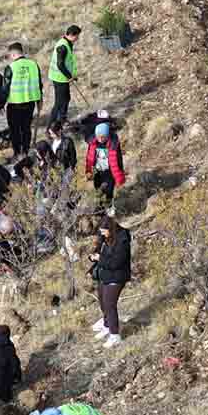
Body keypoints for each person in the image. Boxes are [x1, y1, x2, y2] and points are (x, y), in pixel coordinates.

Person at [90, 216, 131, 348]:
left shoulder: (122, 240)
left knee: (109, 304)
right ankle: (107, 325)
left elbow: (116, 262)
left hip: (117, 276)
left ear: (111, 229)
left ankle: (115, 335)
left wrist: (100, 258)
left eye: (104, 231)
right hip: (106, 274)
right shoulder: (106, 236)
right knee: (102, 300)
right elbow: (99, 249)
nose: (102, 234)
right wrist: (93, 256)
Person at [3, 42, 43, 158]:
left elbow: (5, 88)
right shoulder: (33, 64)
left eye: (9, 56)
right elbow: (39, 84)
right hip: (30, 103)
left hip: (15, 104)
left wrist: (1, 104)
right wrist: (40, 100)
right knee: (26, 128)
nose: (9, 58)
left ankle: (17, 152)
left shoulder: (11, 67)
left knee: (15, 130)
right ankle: (25, 151)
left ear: (13, 54)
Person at [84, 123, 125, 207]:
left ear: (107, 136)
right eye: (98, 136)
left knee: (109, 191)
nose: (100, 139)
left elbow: (119, 159)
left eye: (103, 137)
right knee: (98, 191)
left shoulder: (113, 144)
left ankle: (109, 208)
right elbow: (89, 157)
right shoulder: (93, 143)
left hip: (109, 172)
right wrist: (88, 171)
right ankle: (101, 210)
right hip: (97, 171)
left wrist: (120, 174)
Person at [48, 26, 80, 126]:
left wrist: (71, 76)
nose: (77, 38)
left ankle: (62, 119)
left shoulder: (67, 43)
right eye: (77, 36)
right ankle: (51, 126)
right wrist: (69, 76)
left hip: (63, 77)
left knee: (66, 98)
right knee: (59, 102)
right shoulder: (62, 46)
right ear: (71, 35)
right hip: (59, 78)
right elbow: (60, 64)